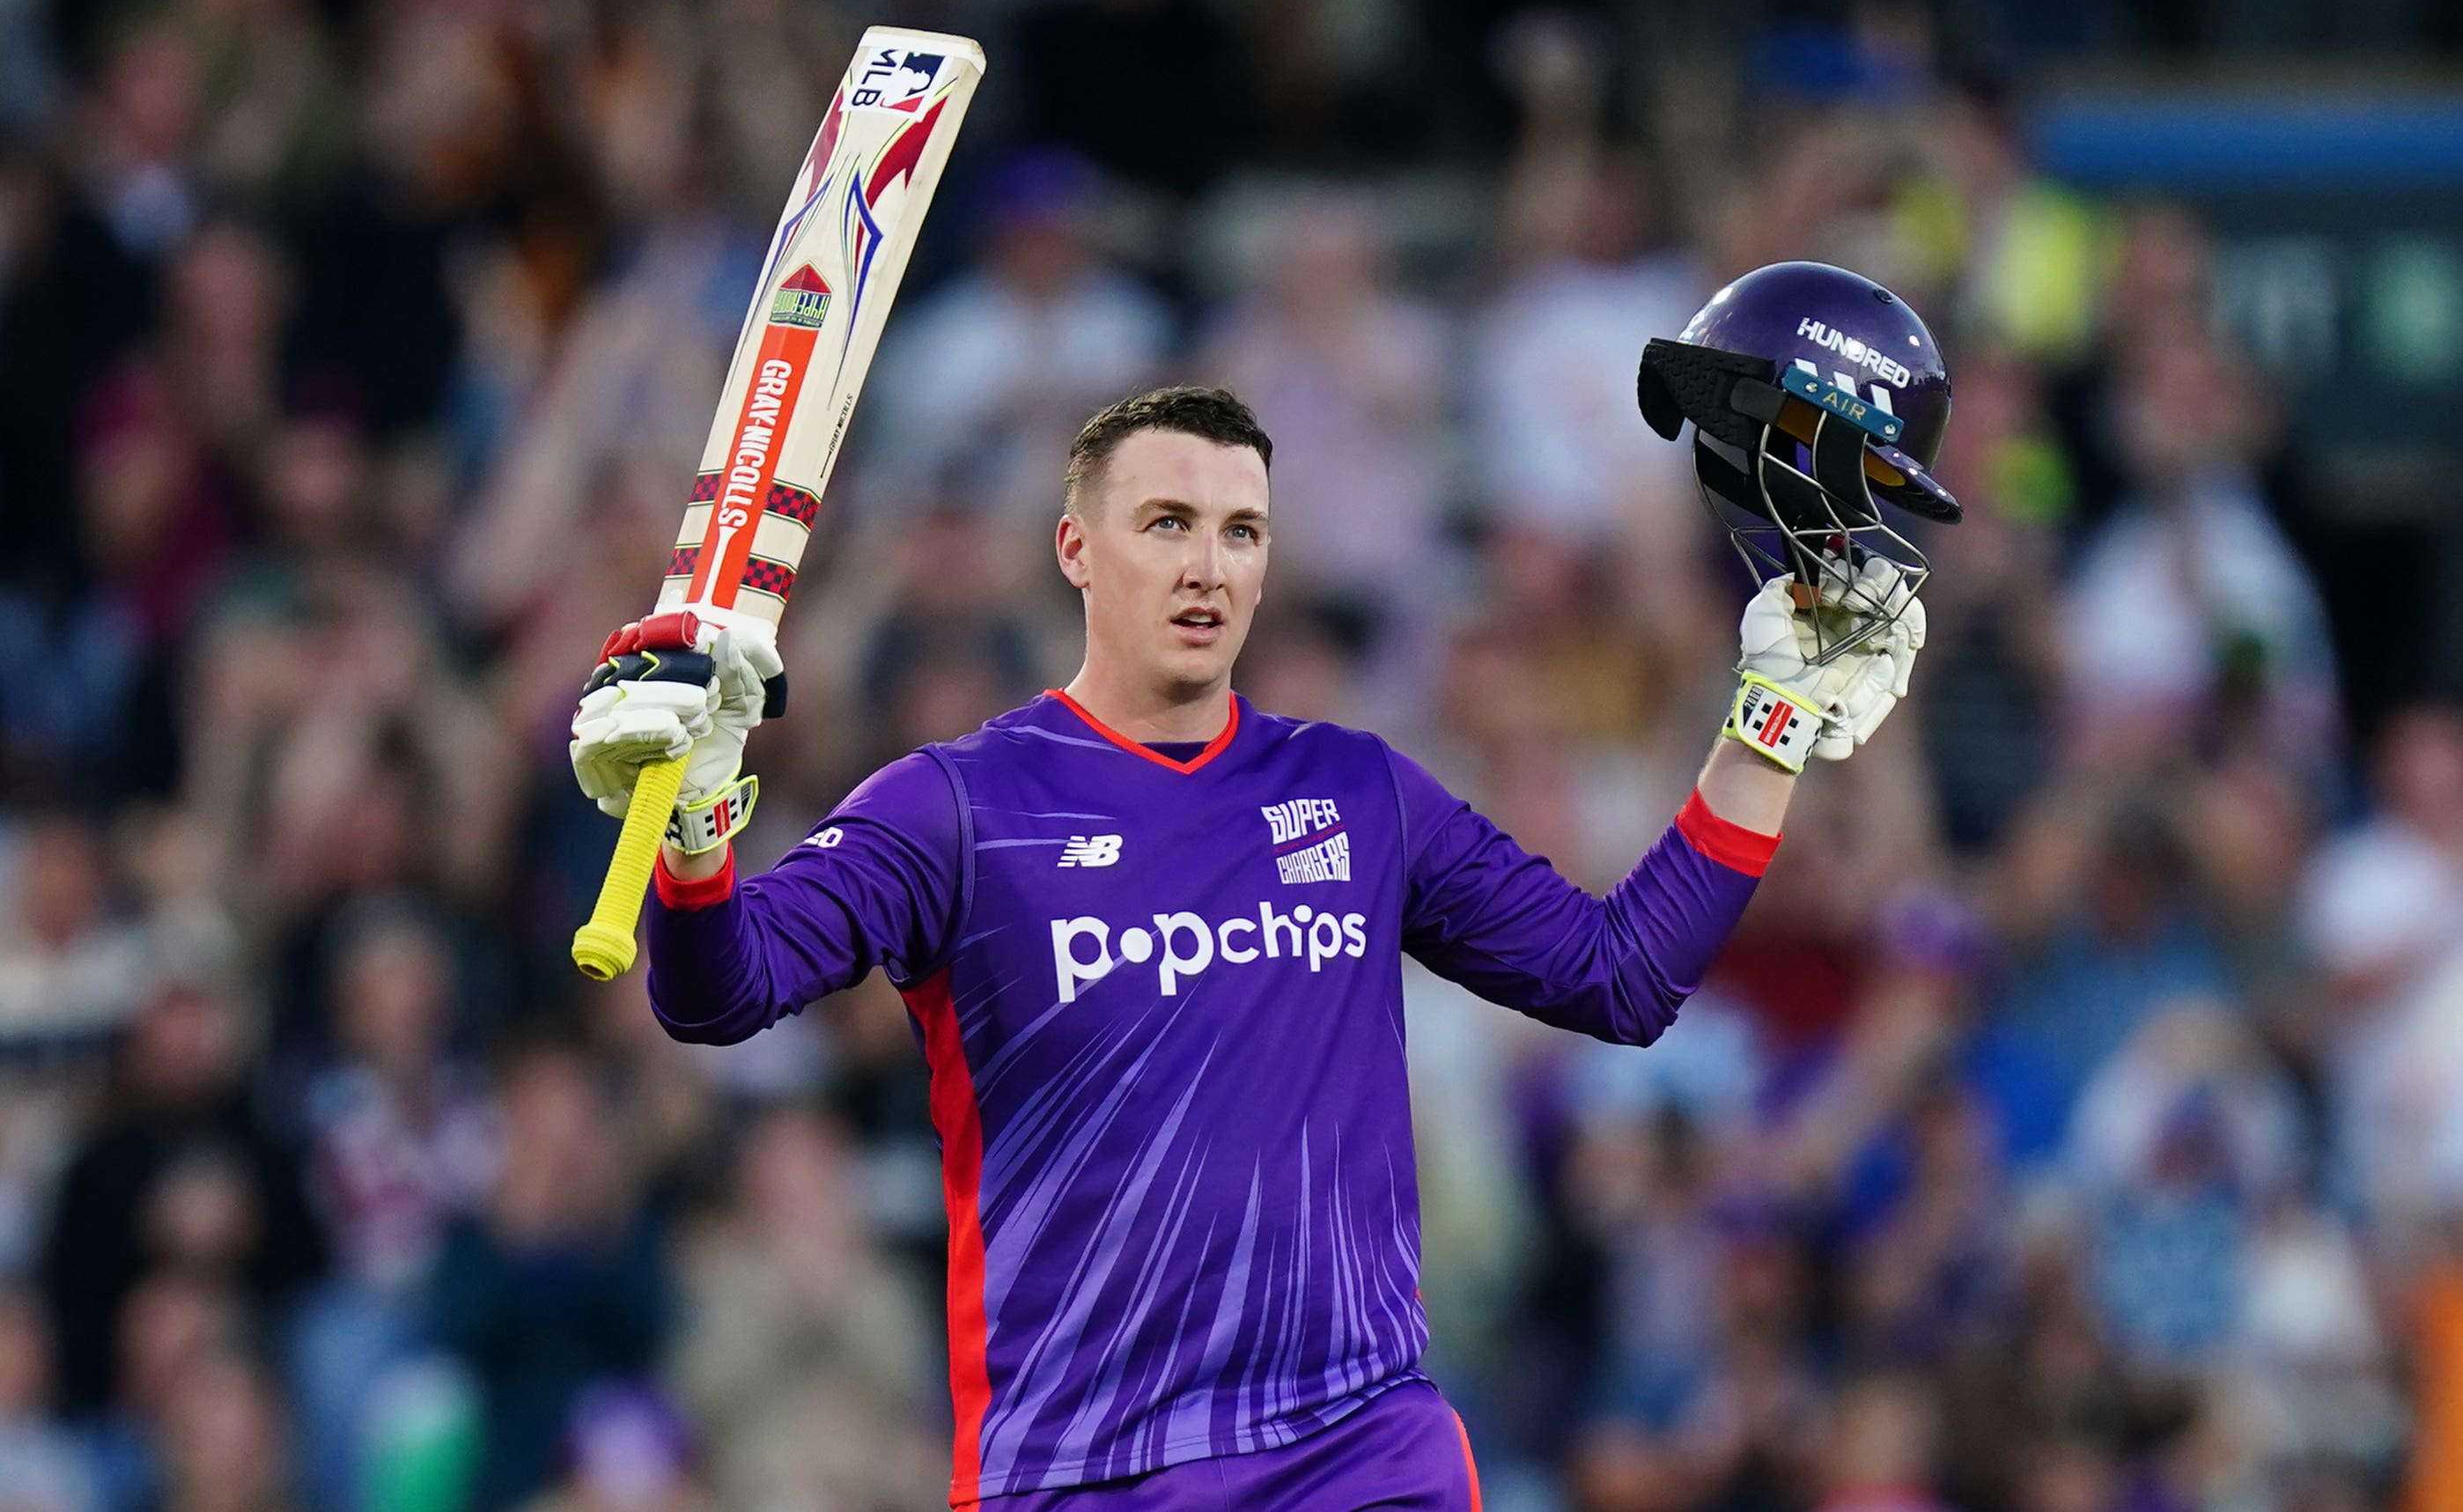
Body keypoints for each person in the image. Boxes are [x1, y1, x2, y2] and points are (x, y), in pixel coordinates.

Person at [566, 273, 1943, 1508]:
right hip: (1080, 1464)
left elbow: (1619, 977)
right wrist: (692, 825)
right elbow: (718, 993)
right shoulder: (953, 807)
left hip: (1357, 1448)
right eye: (1165, 523)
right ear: (1073, 550)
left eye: (1241, 530)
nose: (1207, 564)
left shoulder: (1357, 789)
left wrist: (1768, 725)